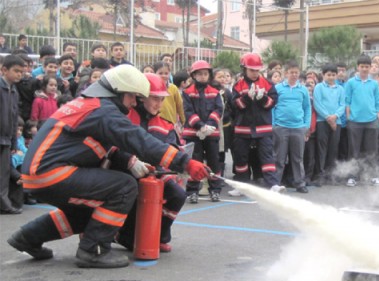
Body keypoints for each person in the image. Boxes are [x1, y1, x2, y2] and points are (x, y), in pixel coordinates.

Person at [6, 64, 210, 268]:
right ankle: (93, 250)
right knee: (124, 187)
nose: (133, 102)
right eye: (131, 96)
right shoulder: (103, 111)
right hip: (52, 173)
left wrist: (132, 161)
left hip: (40, 173)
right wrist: (185, 163)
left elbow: (93, 144)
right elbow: (139, 140)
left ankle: (28, 238)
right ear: (118, 92)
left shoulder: (89, 104)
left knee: (88, 212)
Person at [116, 73, 186, 253]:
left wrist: (181, 164)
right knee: (132, 192)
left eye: (162, 100)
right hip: (123, 170)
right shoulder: (124, 117)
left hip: (155, 173)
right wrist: (131, 162)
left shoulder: (164, 123)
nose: (159, 104)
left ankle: (160, 235)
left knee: (177, 195)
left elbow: (172, 147)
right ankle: (123, 235)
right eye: (155, 98)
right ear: (140, 96)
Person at [230, 53, 283, 193]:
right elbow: (236, 106)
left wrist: (262, 99)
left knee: (267, 156)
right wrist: (247, 98)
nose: (254, 73)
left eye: (257, 70)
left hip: (263, 127)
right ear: (244, 69)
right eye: (251, 70)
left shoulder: (267, 84)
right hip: (243, 128)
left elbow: (272, 103)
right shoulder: (238, 85)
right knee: (241, 158)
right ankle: (242, 186)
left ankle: (273, 184)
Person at [182, 60, 224, 203]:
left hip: (211, 133)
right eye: (199, 74)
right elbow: (188, 111)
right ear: (194, 75)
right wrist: (200, 126)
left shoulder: (215, 92)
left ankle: (215, 190)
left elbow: (219, 109)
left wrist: (210, 125)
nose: (203, 76)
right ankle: (192, 190)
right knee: (195, 162)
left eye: (205, 74)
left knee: (214, 162)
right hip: (193, 133)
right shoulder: (188, 92)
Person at [272, 61, 311, 193]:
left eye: (296, 72)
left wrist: (306, 125)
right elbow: (272, 107)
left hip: (298, 128)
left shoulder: (303, 89)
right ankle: (275, 183)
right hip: (280, 127)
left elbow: (307, 108)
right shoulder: (278, 88)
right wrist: (273, 124)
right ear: (285, 73)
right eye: (291, 72)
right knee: (279, 158)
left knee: (298, 158)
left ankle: (300, 183)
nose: (294, 75)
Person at [344, 54, 379, 187]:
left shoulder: (374, 84)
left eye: (367, 66)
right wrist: (349, 116)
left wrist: (377, 114)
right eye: (362, 66)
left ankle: (373, 176)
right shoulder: (351, 82)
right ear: (358, 67)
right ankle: (352, 176)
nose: (365, 69)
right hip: (355, 120)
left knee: (372, 150)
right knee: (354, 150)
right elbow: (347, 100)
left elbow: (378, 100)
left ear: (370, 67)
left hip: (371, 120)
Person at [0, 55, 25, 215]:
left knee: (4, 174)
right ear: (4, 70)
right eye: (16, 71)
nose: (19, 74)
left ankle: (4, 204)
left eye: (21, 72)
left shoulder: (14, 91)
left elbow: (15, 118)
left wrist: (14, 142)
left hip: (6, 139)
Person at [313, 63, 345, 185]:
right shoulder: (319, 87)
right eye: (328, 75)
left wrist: (335, 116)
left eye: (333, 75)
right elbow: (317, 104)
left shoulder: (340, 89)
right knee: (322, 148)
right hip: (322, 121)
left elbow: (342, 105)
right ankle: (320, 174)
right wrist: (328, 118)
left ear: (336, 75)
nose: (331, 77)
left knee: (333, 149)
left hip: (337, 122)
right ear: (323, 75)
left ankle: (331, 175)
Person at [154, 61, 185, 127]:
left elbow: (180, 106)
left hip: (171, 123)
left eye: (166, 73)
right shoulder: (152, 88)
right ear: (154, 73)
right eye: (160, 73)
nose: (164, 75)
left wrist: (184, 121)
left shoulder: (173, 88)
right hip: (155, 123)